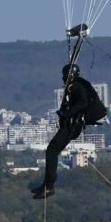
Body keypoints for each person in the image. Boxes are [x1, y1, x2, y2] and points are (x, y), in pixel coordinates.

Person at [31, 63, 90, 199]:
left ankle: (49, 186)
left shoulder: (77, 87)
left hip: (72, 126)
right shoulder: (73, 87)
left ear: (69, 75)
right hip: (70, 125)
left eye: (64, 76)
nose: (63, 78)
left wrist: (67, 113)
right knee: (52, 150)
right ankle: (46, 185)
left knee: (52, 151)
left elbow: (83, 103)